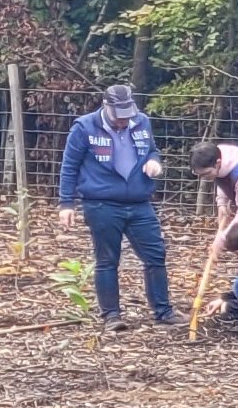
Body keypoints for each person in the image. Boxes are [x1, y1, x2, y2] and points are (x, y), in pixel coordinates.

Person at [53, 84, 175, 330]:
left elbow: (152, 151)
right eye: (118, 116)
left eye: (127, 115)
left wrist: (153, 162)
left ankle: (163, 311)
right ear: (106, 106)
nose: (123, 121)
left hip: (140, 203)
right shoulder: (84, 127)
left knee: (156, 255)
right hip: (101, 204)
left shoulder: (142, 122)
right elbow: (69, 166)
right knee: (107, 259)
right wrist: (67, 203)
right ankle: (111, 316)